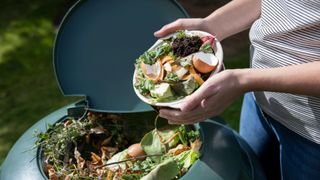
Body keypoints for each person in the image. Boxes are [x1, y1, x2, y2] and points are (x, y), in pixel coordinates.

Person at [155, 0, 320, 179]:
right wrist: (211, 25)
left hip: (311, 135)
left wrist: (244, 80)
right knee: (248, 173)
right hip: (258, 100)